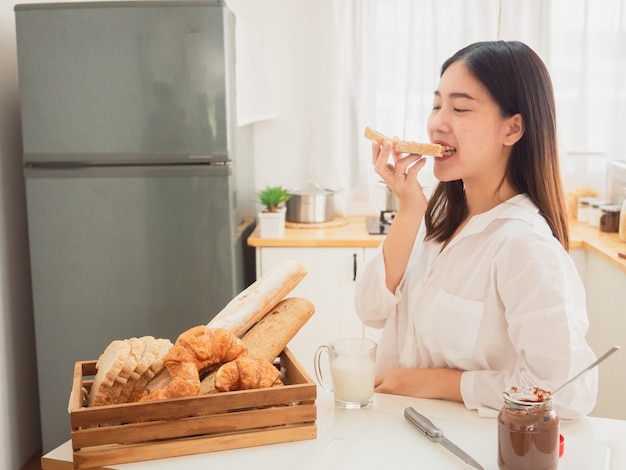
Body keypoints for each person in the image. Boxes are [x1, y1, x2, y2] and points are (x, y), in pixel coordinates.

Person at [355, 40, 597, 419]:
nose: (437, 122)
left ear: (512, 129)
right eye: (436, 105)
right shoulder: (434, 215)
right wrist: (409, 209)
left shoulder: (523, 245)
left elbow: (566, 392)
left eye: (460, 108)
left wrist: (436, 383)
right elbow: (370, 311)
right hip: (400, 427)